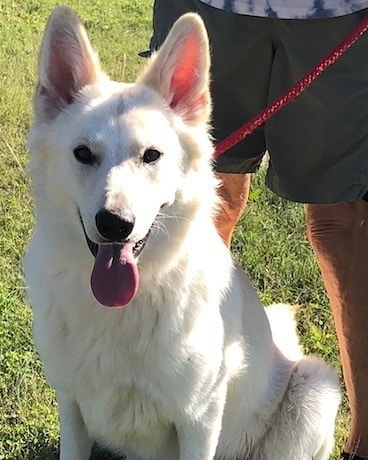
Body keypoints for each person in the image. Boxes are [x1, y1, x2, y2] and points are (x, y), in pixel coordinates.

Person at [143, 1, 368, 459]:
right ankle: (170, 405)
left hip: (340, 12)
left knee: (338, 226)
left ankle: (364, 442)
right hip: (209, 9)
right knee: (203, 199)